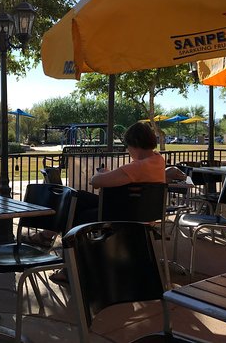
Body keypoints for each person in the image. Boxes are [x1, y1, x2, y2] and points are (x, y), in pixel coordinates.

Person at [42, 122, 167, 285]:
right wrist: (110, 175)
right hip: (140, 215)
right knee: (78, 197)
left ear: (134, 144)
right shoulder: (158, 161)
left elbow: (96, 181)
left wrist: (101, 174)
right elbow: (123, 178)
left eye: (127, 146)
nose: (127, 150)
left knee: (76, 214)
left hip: (122, 218)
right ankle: (50, 235)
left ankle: (68, 266)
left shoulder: (138, 167)